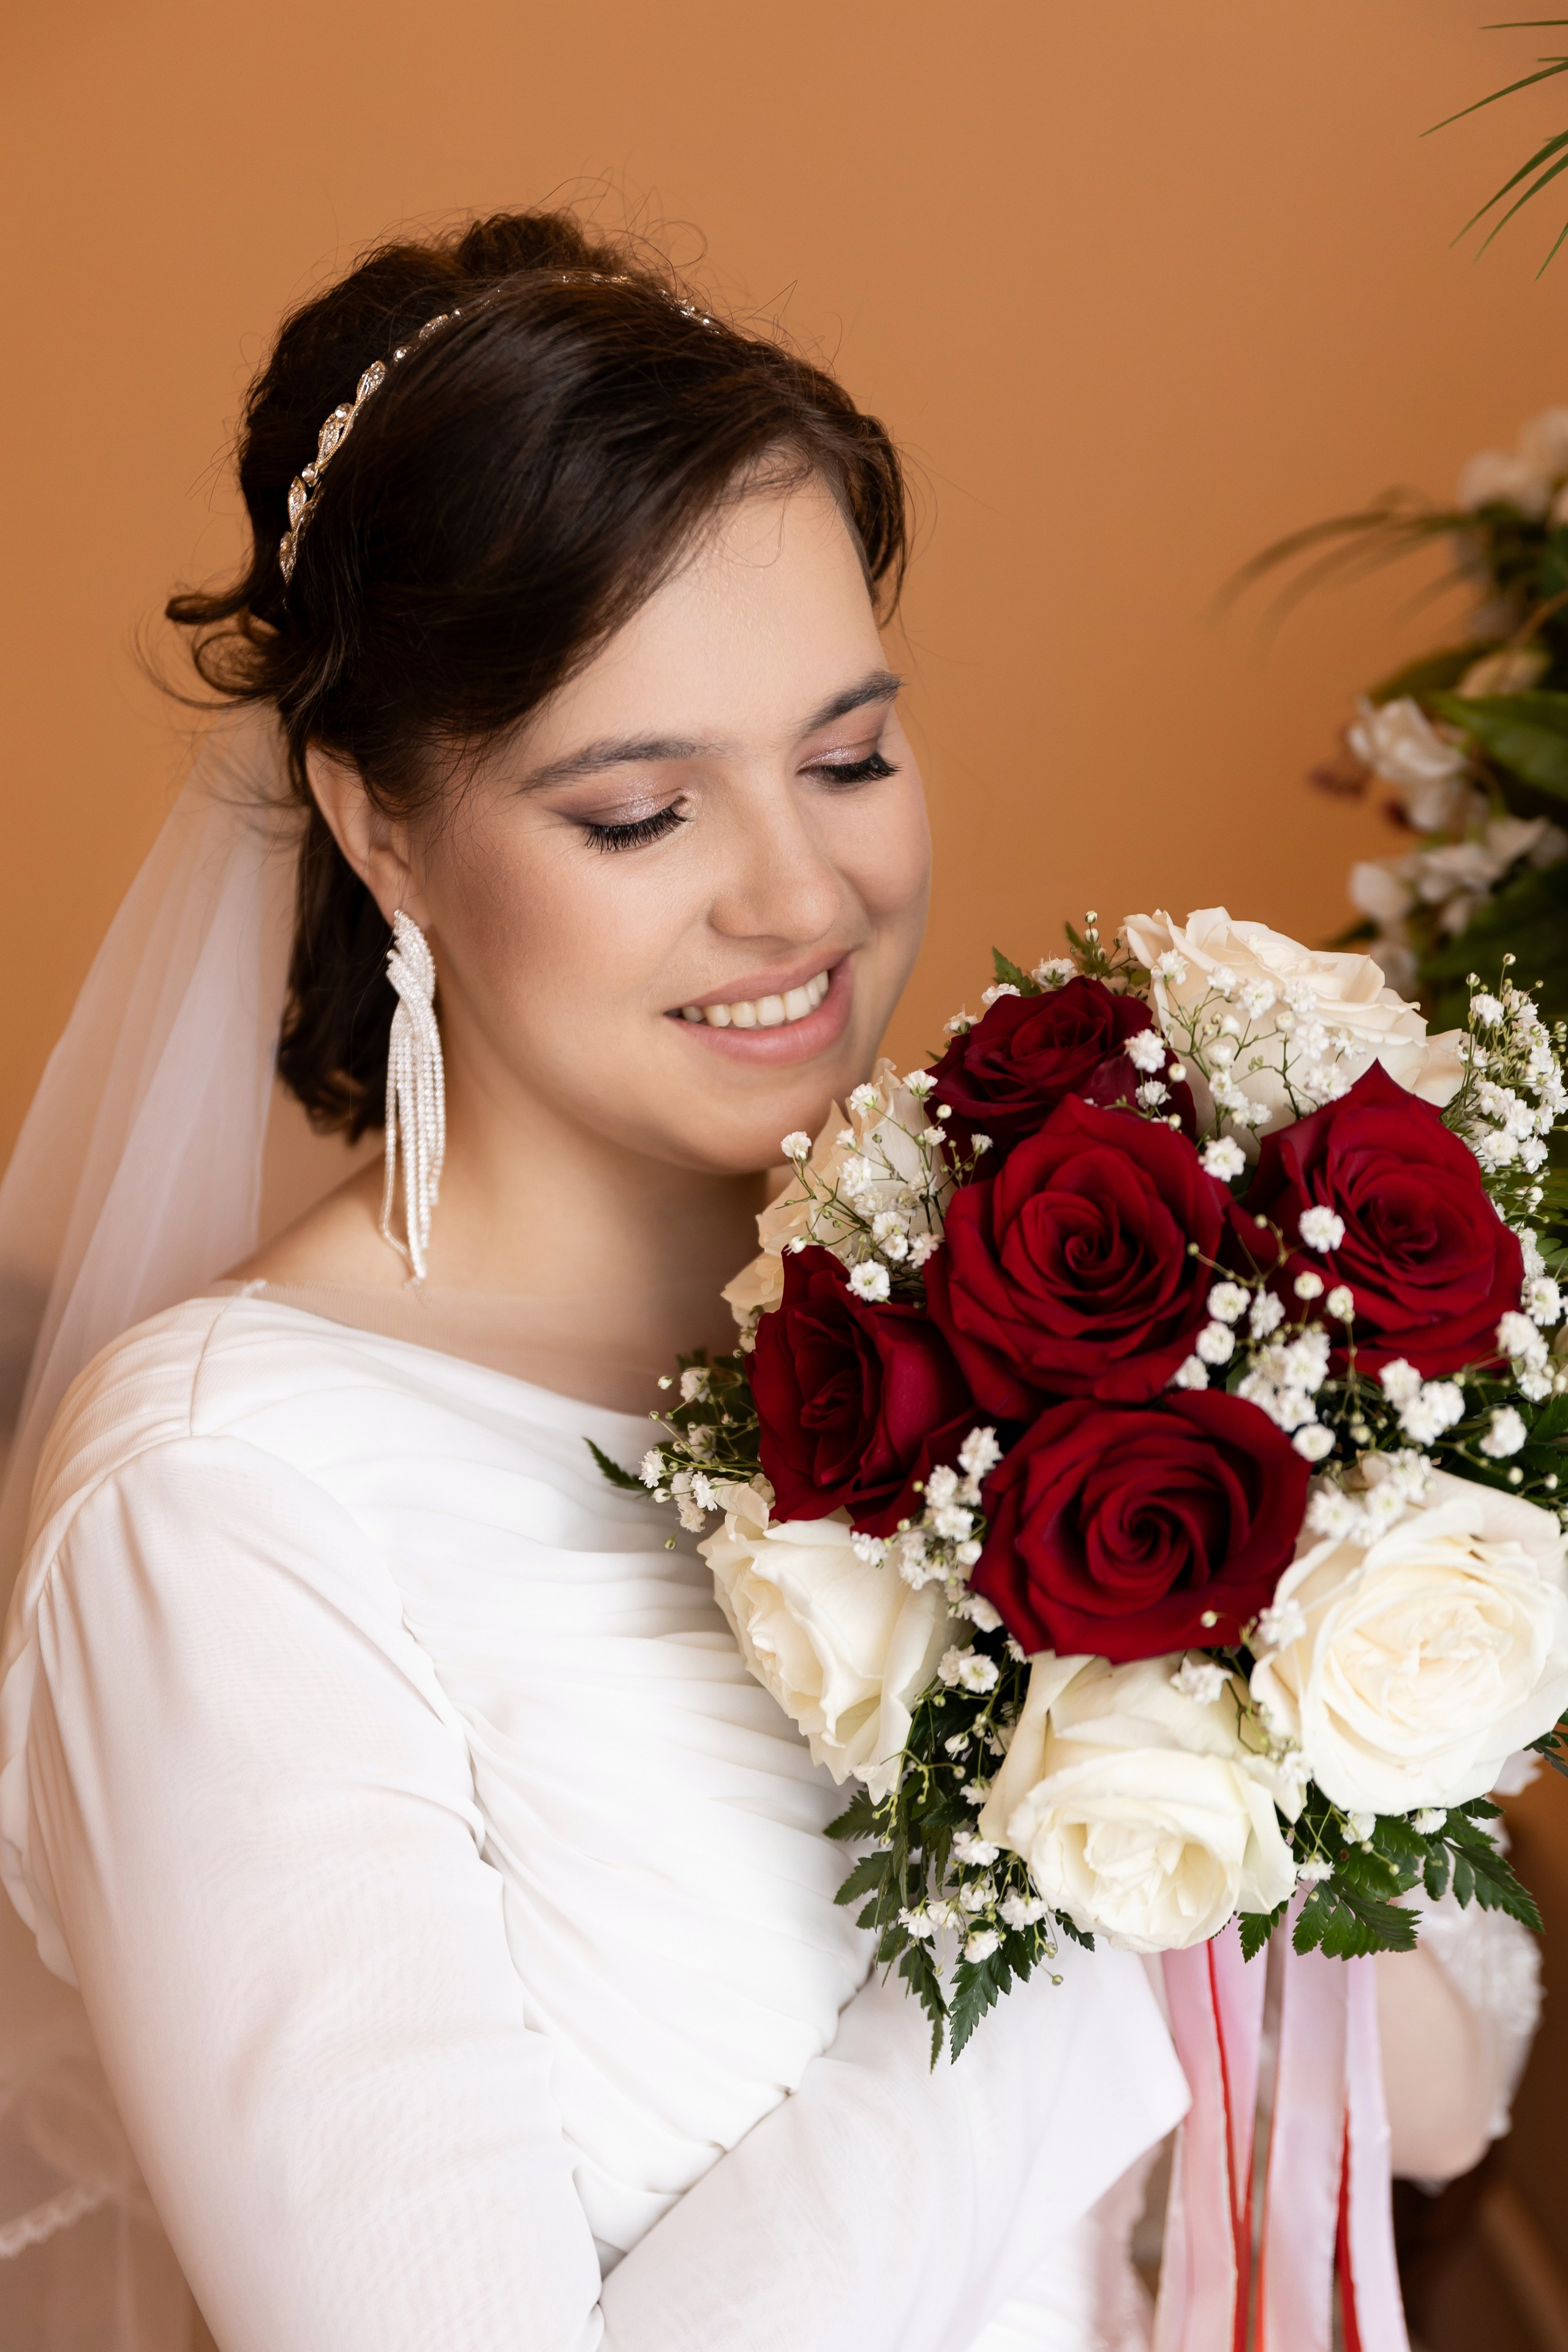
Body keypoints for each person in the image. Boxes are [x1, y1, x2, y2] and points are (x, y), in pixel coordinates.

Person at [0, 209, 1534, 2352]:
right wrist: (1085, 1867)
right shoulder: (227, 1510)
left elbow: (1437, 2085)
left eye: (846, 756)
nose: (803, 891)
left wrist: (1267, 1642)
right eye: (640, 810)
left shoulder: (1034, 1313)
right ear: (380, 830)